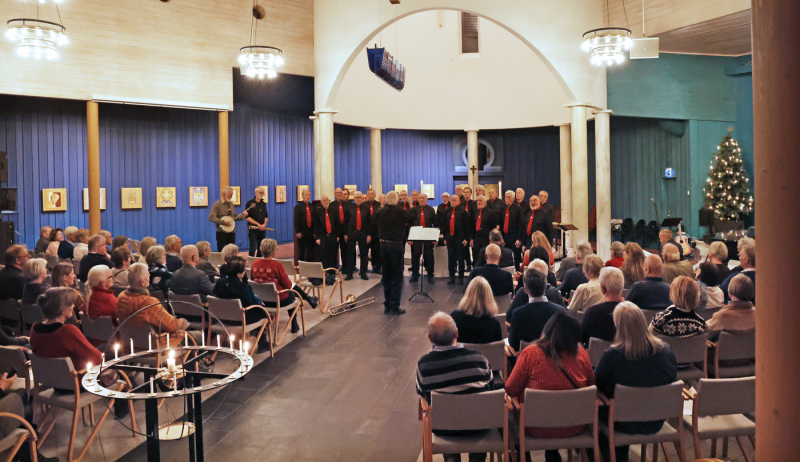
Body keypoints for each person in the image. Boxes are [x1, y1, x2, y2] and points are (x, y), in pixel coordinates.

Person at [505, 312, 595, 462]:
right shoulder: (582, 354)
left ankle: (522, 455)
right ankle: (552, 454)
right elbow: (592, 385)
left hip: (535, 426)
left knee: (508, 412)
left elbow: (511, 389)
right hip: (574, 425)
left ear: (547, 329)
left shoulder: (531, 353)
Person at [594, 302, 677, 462]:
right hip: (656, 419)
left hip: (619, 422)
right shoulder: (665, 350)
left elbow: (596, 384)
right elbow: (672, 379)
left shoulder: (613, 355)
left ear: (617, 325)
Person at [415, 312, 493, 462]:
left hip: (444, 429)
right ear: (457, 333)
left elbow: (423, 395)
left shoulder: (424, 365)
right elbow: (490, 388)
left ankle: (451, 457)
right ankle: (478, 457)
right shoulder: (479, 359)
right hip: (479, 426)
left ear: (430, 339)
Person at [117, 264, 194, 349]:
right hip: (154, 348)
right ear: (142, 282)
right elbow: (172, 325)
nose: (149, 276)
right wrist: (184, 322)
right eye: (148, 274)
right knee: (196, 337)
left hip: (130, 347)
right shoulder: (149, 303)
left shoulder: (121, 297)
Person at [251, 239, 319, 333]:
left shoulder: (254, 263)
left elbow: (253, 281)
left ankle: (309, 298)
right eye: (276, 248)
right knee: (291, 293)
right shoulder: (277, 265)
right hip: (277, 301)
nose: (277, 250)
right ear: (272, 251)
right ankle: (294, 324)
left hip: (261, 301)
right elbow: (288, 285)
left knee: (289, 290)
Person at [373, 191, 416, 315]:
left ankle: (387, 303)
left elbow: (374, 218)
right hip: (396, 245)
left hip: (384, 245)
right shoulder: (399, 211)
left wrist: (381, 206)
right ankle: (395, 305)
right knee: (397, 276)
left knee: (386, 275)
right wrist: (410, 204)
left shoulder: (381, 211)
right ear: (397, 200)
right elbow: (412, 216)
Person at [508, 269, 566, 352]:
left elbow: (513, 344)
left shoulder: (518, 314)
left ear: (525, 289)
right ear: (545, 286)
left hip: (528, 361)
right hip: (555, 360)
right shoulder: (560, 311)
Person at [450, 278, 502, 344]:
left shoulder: (455, 318)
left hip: (460, 354)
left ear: (467, 293)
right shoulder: (494, 324)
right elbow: (497, 349)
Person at [581, 267, 625, 344]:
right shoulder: (631, 312)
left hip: (595, 355)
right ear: (622, 286)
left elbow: (580, 339)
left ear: (602, 288)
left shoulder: (592, 313)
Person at [707, 274, 755, 341]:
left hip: (723, 351)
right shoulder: (758, 315)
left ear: (729, 293)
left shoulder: (723, 316)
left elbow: (705, 333)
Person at [209, 187, 249, 251]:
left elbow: (234, 217)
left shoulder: (231, 204)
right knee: (222, 252)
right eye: (230, 194)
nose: (231, 196)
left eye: (232, 194)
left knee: (232, 251)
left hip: (232, 232)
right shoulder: (217, 204)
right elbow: (211, 217)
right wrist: (223, 222)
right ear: (224, 194)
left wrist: (243, 216)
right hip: (221, 233)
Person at [443, 194, 471, 285]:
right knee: (451, 258)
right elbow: (444, 226)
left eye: (455, 200)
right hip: (450, 238)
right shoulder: (447, 211)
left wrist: (466, 238)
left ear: (459, 201)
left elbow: (467, 226)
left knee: (460, 258)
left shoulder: (463, 212)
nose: (453, 202)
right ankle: (451, 276)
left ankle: (460, 276)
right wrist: (445, 237)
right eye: (452, 200)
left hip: (460, 238)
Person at [409, 192, 437, 283]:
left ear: (426, 199)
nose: (421, 200)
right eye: (420, 198)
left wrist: (435, 238)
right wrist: (410, 238)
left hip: (428, 237)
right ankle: (415, 275)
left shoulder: (431, 210)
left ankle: (430, 275)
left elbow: (435, 224)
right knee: (415, 256)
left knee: (429, 256)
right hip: (416, 237)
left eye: (423, 198)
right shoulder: (414, 210)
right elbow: (410, 224)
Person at [345, 191, 372, 281]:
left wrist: (369, 235)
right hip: (352, 232)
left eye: (360, 197)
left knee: (364, 253)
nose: (358, 199)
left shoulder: (366, 208)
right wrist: (345, 233)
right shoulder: (350, 208)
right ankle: (349, 273)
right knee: (350, 253)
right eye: (356, 197)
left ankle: (363, 272)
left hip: (363, 233)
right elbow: (345, 222)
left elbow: (369, 223)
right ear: (354, 198)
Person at [314, 195, 340, 276]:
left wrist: (337, 236)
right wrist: (317, 238)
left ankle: (332, 272)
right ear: (321, 202)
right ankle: (324, 272)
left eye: (327, 200)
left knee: (332, 254)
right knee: (323, 254)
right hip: (322, 236)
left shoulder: (333, 211)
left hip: (332, 236)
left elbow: (337, 224)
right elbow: (315, 226)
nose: (326, 202)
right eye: (324, 200)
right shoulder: (317, 212)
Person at [470, 196, 498, 272]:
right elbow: (472, 226)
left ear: (485, 202)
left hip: (486, 239)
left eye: (480, 200)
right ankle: (476, 272)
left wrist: (491, 239)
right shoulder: (476, 212)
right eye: (477, 200)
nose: (478, 202)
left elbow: (493, 227)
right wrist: (471, 238)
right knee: (476, 256)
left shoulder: (490, 213)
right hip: (476, 238)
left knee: (485, 256)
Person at [499, 191, 523, 269]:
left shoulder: (518, 209)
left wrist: (519, 239)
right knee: (505, 256)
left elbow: (521, 225)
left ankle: (516, 272)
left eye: (508, 197)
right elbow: (501, 223)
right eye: (505, 197)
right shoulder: (503, 209)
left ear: (513, 198)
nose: (506, 199)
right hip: (505, 237)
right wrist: (501, 237)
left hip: (514, 236)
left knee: (516, 256)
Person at [293, 188, 316, 263]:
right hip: (302, 233)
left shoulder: (312, 206)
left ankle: (310, 268)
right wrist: (298, 231)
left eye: (309, 195)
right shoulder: (298, 207)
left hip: (311, 232)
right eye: (306, 195)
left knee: (311, 251)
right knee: (301, 251)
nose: (308, 196)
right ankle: (300, 268)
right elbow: (296, 220)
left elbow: (314, 219)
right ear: (303, 196)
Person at [245, 186, 269, 257]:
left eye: (262, 193)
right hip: (253, 229)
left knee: (261, 248)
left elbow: (266, 216)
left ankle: (259, 262)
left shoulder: (263, 203)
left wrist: (264, 224)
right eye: (260, 192)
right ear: (255, 193)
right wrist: (258, 224)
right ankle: (250, 263)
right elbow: (247, 217)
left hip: (262, 229)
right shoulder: (250, 203)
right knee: (253, 247)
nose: (261, 194)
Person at [332, 188, 351, 270]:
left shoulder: (347, 204)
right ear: (335, 194)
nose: (340, 194)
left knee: (345, 251)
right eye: (338, 193)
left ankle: (346, 268)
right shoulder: (331, 205)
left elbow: (350, 218)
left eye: (341, 192)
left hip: (345, 232)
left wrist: (347, 232)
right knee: (333, 251)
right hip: (335, 232)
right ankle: (334, 269)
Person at [366, 189, 382, 274]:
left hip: (376, 231)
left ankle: (376, 267)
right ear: (367, 195)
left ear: (375, 195)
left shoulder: (379, 205)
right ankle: (364, 267)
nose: (371, 195)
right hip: (367, 231)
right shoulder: (364, 205)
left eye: (372, 194)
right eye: (369, 194)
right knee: (365, 250)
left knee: (376, 250)